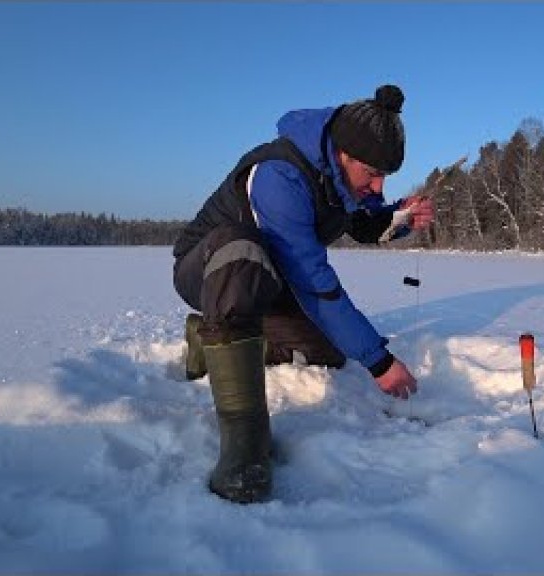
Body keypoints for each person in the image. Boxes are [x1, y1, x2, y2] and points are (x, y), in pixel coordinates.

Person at [172, 84, 434, 504]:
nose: (378, 187)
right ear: (344, 154)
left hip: (270, 283)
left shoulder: (339, 177)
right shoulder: (280, 175)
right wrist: (380, 361)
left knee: (329, 349)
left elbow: (366, 224)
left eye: (386, 177)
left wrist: (399, 217)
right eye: (372, 174)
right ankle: (245, 449)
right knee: (240, 249)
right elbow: (313, 281)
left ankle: (211, 338)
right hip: (207, 270)